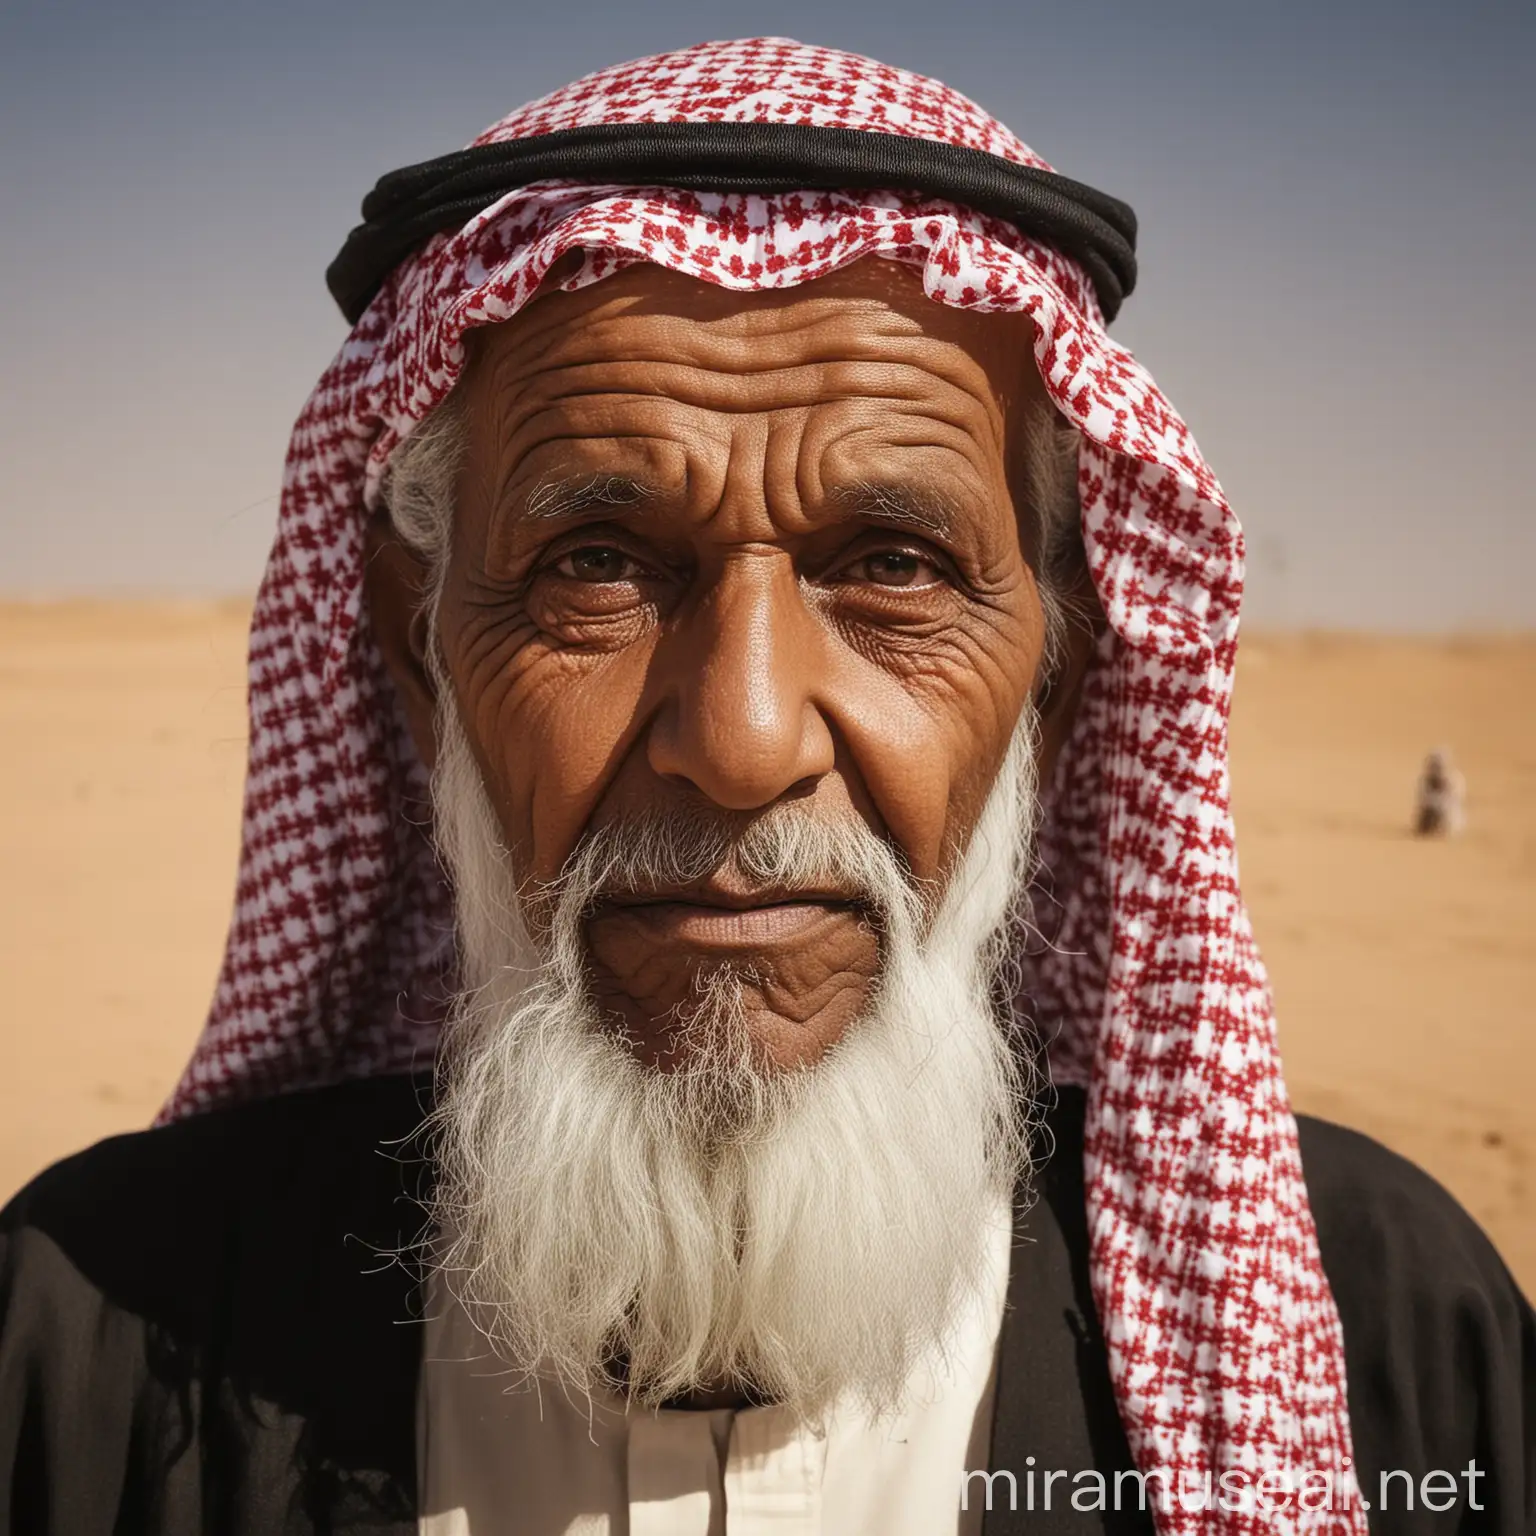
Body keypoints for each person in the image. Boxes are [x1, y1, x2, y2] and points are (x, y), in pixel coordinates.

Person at [1, 39, 1530, 1536]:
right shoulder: (87, 1343)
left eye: (894, 568)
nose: (739, 743)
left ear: (1058, 675)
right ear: (421, 651)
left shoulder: (1397, 1344)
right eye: (596, 566)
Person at [1414, 748, 1467, 836]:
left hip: (1449, 815)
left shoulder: (1454, 780)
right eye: (1433, 765)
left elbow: (1454, 801)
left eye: (1438, 766)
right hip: (1432, 811)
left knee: (1446, 818)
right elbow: (1422, 801)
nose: (1436, 769)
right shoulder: (1425, 781)